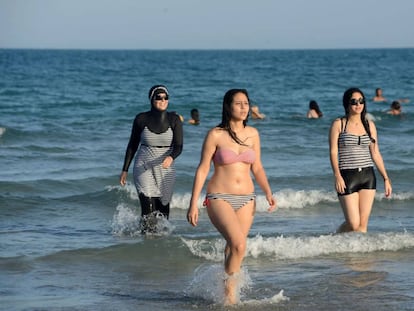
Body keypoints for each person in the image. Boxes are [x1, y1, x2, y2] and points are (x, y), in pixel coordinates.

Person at [187, 89, 276, 305]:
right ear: (228, 107)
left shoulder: (253, 134)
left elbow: (258, 167)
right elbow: (202, 169)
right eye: (239, 104)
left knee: (232, 247)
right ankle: (230, 299)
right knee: (239, 245)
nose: (244, 107)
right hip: (219, 197)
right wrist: (193, 204)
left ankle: (224, 293)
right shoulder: (215, 134)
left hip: (247, 198)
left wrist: (268, 192)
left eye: (246, 103)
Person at [120, 85, 183, 232]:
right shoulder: (141, 119)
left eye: (165, 97)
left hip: (166, 166)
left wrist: (171, 158)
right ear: (151, 99)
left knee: (163, 211)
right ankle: (145, 241)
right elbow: (132, 145)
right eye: (158, 97)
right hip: (144, 164)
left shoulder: (174, 119)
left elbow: (179, 146)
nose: (162, 100)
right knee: (148, 209)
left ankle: (160, 244)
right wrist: (125, 170)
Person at [329, 87, 392, 233]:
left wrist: (386, 178)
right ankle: (334, 239)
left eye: (361, 101)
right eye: (354, 101)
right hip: (347, 176)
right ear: (347, 104)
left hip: (368, 176)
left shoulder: (369, 125)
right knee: (353, 223)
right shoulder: (339, 124)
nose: (358, 104)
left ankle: (357, 255)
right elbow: (333, 152)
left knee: (362, 227)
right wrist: (337, 175)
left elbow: (375, 153)